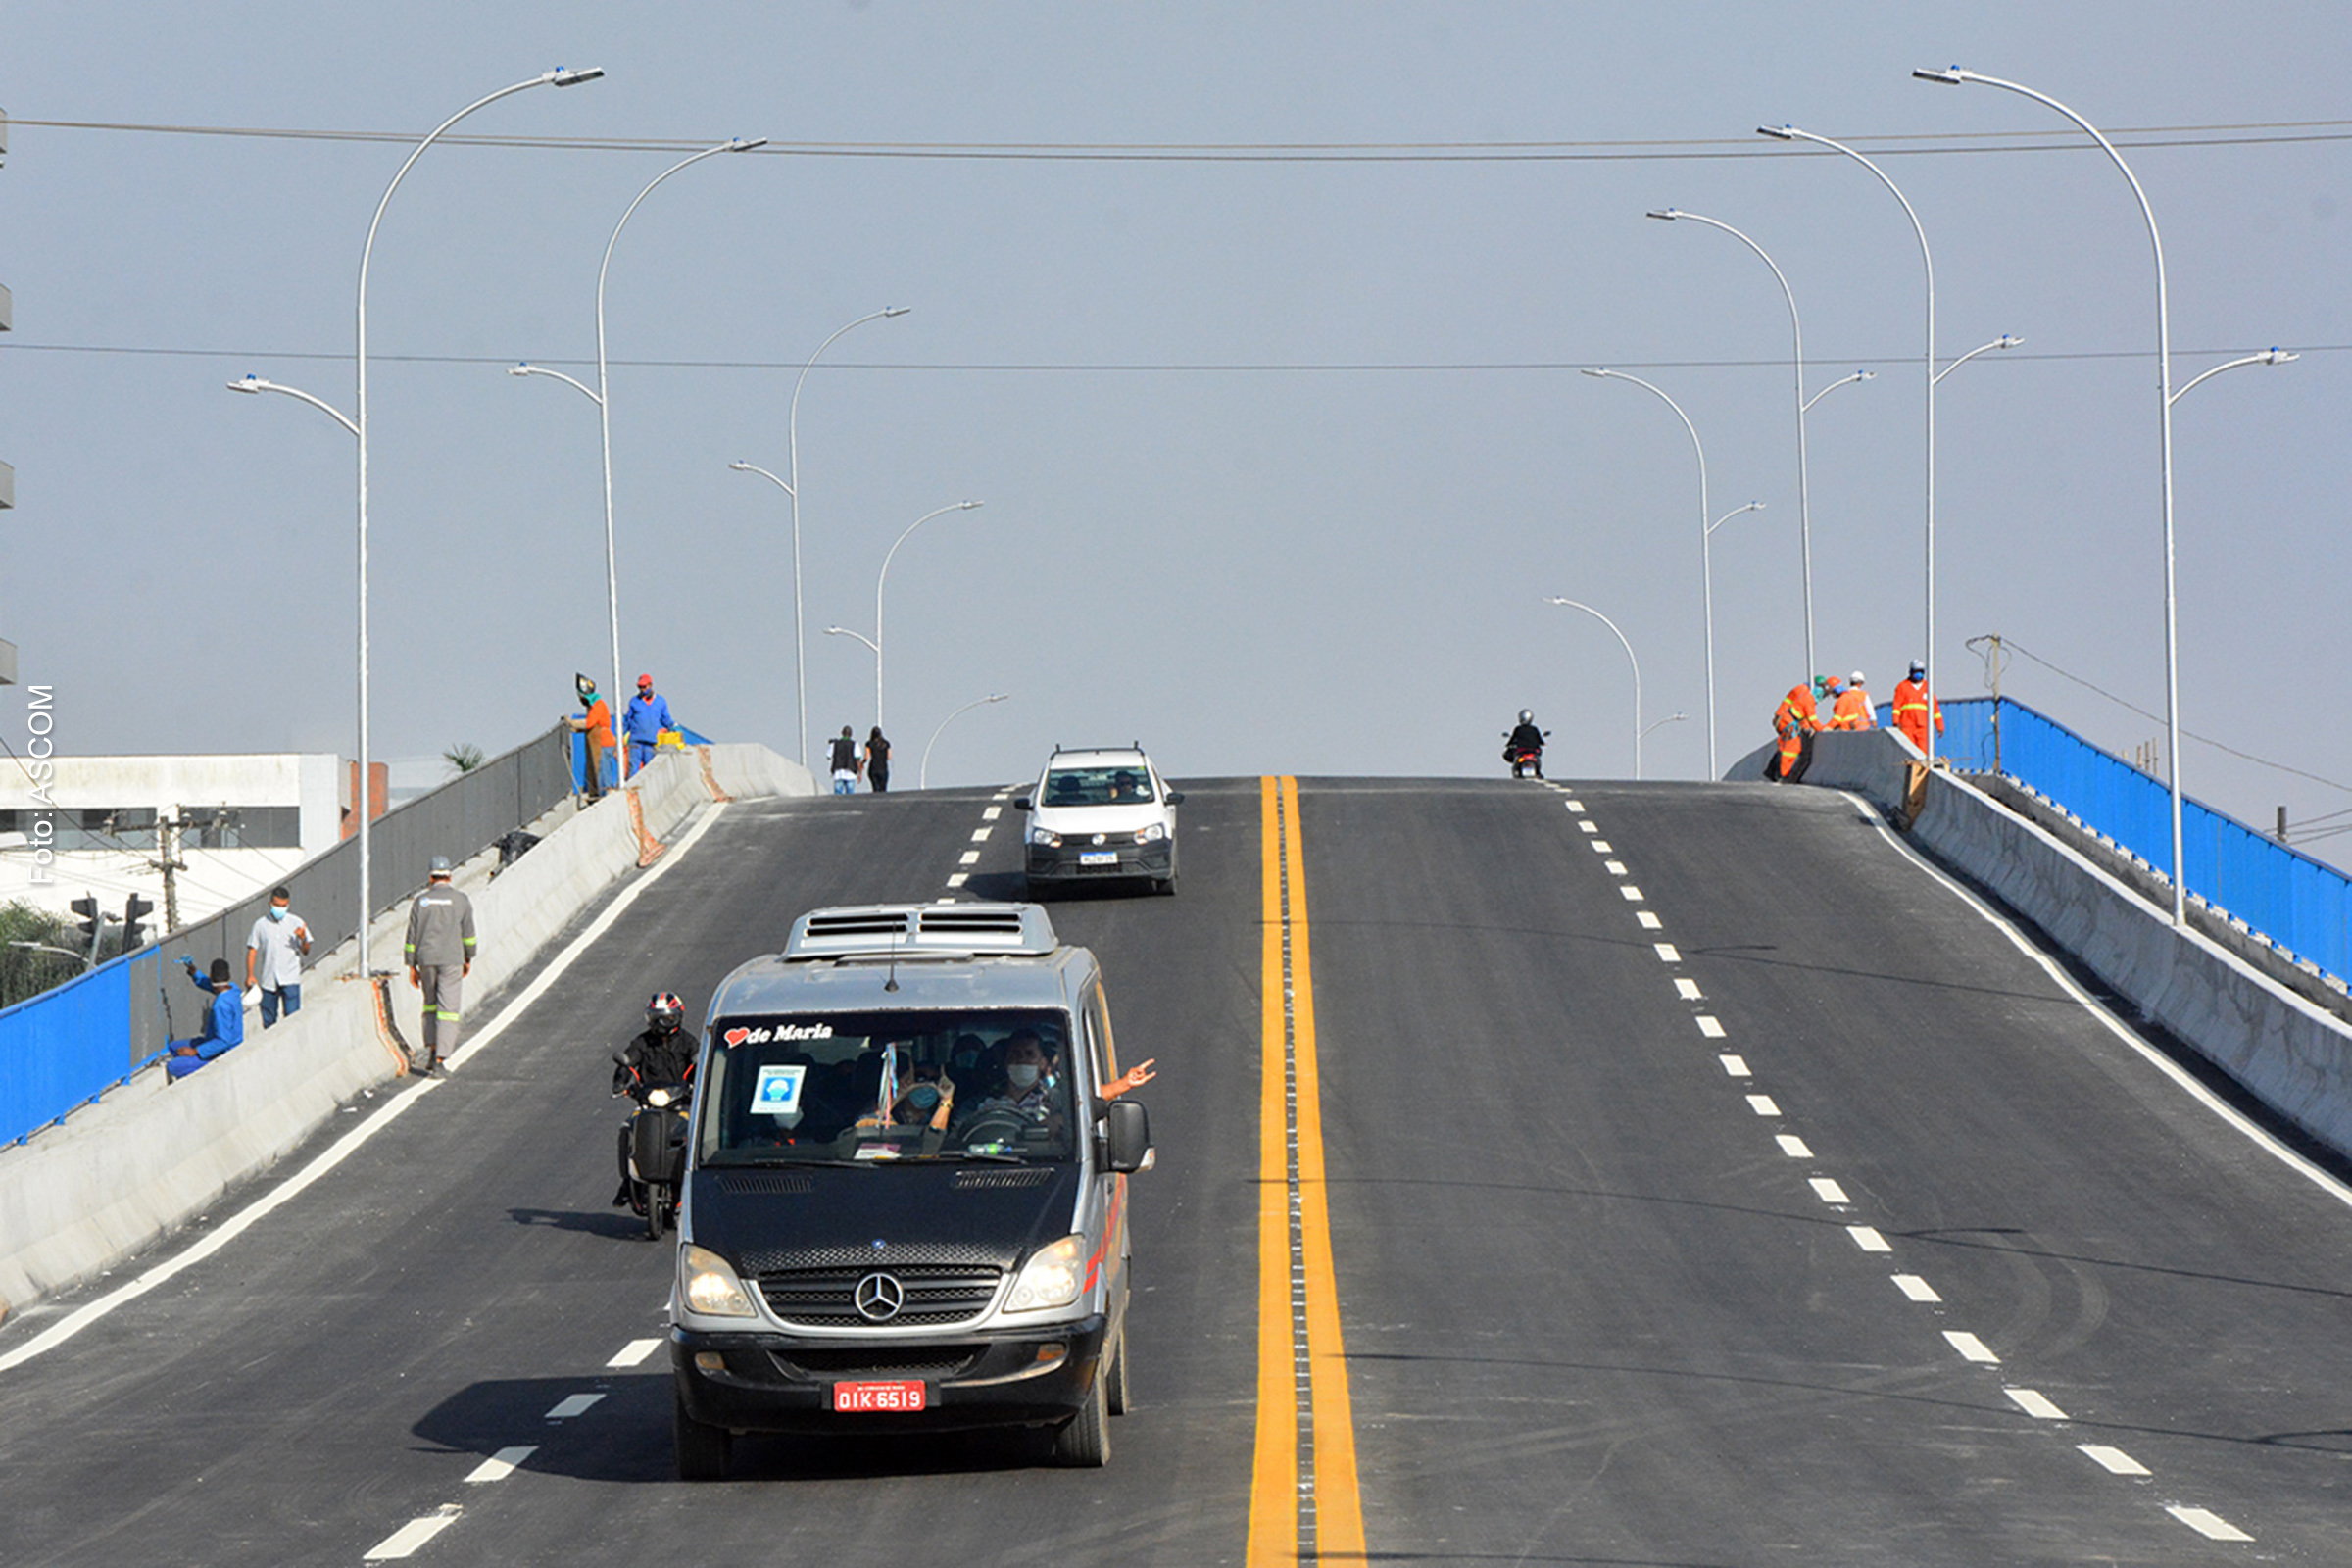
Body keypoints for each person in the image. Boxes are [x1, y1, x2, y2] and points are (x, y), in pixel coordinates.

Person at [612, 991, 700, 1205]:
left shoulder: (688, 1042)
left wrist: (699, 1083)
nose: (662, 1022)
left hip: (680, 1103)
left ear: (677, 1016)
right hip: (647, 1104)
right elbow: (629, 1060)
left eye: (668, 1017)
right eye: (657, 1017)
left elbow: (700, 1061)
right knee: (627, 1129)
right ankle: (627, 1182)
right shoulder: (642, 1042)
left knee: (694, 1135)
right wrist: (621, 1082)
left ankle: (690, 1183)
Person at [403, 855, 476, 1075]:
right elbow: (469, 935)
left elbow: (411, 936)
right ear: (450, 876)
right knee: (448, 1010)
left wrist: (411, 965)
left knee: (430, 1004)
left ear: (431, 877)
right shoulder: (461, 900)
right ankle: (440, 1060)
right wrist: (468, 957)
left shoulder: (421, 902)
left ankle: (432, 1048)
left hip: (426, 960)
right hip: (452, 958)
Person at [165, 957, 244, 1079]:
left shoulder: (220, 1005)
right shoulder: (233, 989)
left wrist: (195, 1051)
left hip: (222, 1051)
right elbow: (210, 984)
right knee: (174, 1047)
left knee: (173, 1066)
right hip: (215, 1041)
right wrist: (194, 972)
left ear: (211, 975)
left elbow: (223, 1041)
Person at [244, 884, 312, 1028]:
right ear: (270, 903)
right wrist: (250, 975)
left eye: (284, 905)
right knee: (269, 1021)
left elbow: (306, 950)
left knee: (293, 1019)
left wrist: (303, 938)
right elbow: (252, 950)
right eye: (277, 905)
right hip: (269, 980)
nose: (280, 909)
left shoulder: (296, 923)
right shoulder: (260, 925)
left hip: (290, 978)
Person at [565, 675, 618, 802]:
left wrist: (572, 723)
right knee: (597, 768)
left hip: (605, 742)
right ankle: (598, 792)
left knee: (603, 768)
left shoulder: (598, 706)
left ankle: (606, 790)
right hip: (600, 741)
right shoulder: (594, 706)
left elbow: (589, 723)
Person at [623, 673, 675, 778]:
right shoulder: (634, 701)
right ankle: (632, 790)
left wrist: (673, 726)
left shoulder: (660, 701)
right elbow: (627, 720)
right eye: (640, 687)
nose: (642, 689)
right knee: (634, 768)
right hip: (636, 741)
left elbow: (665, 718)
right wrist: (622, 734)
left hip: (650, 741)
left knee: (649, 769)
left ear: (650, 685)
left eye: (644, 686)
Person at [1768, 680, 1820, 784]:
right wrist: (1820, 729)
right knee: (1791, 749)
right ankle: (1783, 775)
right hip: (1789, 723)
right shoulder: (1804, 693)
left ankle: (1772, 772)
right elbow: (1810, 718)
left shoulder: (1802, 692)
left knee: (1784, 748)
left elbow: (1802, 715)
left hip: (1786, 721)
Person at [1892, 660, 1945, 756]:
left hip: (1923, 725)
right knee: (1908, 751)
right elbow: (1897, 706)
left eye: (1920, 672)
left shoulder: (1928, 687)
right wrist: (1896, 722)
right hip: (1907, 725)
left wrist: (1940, 726)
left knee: (1923, 752)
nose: (1918, 674)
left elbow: (1935, 709)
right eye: (1916, 672)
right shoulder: (1902, 687)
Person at [1506, 710, 1545, 778]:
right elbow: (1540, 740)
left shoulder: (1518, 729)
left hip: (1521, 752)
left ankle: (1535, 771)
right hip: (1533, 752)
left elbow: (1513, 739)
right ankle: (1538, 772)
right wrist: (1543, 743)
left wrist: (1508, 744)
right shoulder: (1534, 729)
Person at [828, 725, 861, 796]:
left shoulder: (835, 744)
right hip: (850, 772)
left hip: (838, 773)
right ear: (851, 734)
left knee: (838, 795)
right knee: (850, 795)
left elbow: (828, 756)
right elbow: (858, 759)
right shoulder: (854, 744)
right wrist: (860, 773)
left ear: (841, 733)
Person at [864, 726, 892, 794]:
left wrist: (862, 763)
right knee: (883, 788)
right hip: (883, 768)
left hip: (873, 768)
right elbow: (889, 757)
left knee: (875, 788)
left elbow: (867, 757)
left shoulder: (869, 744)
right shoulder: (886, 744)